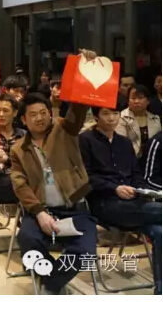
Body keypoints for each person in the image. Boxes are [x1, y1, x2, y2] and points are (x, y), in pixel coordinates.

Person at [10, 82, 98, 295]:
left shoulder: (64, 130)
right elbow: (19, 184)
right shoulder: (18, 149)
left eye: (43, 112)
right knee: (27, 240)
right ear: (24, 120)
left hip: (75, 208)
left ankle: (51, 282)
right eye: (33, 115)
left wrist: (83, 82)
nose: (39, 118)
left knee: (85, 251)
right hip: (43, 210)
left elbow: (77, 112)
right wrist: (39, 212)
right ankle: (53, 278)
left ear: (50, 114)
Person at [80, 105, 161, 295]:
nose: (112, 118)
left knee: (161, 232)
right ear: (96, 116)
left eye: (115, 113)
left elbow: (136, 174)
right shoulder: (85, 140)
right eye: (106, 113)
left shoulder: (124, 142)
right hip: (104, 203)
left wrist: (141, 190)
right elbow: (85, 177)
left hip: (134, 203)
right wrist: (114, 188)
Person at [116, 84, 162, 167]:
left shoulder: (155, 119)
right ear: (128, 101)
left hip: (152, 161)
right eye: (133, 98)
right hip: (129, 160)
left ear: (148, 101)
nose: (136, 101)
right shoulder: (121, 118)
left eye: (140, 98)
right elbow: (121, 144)